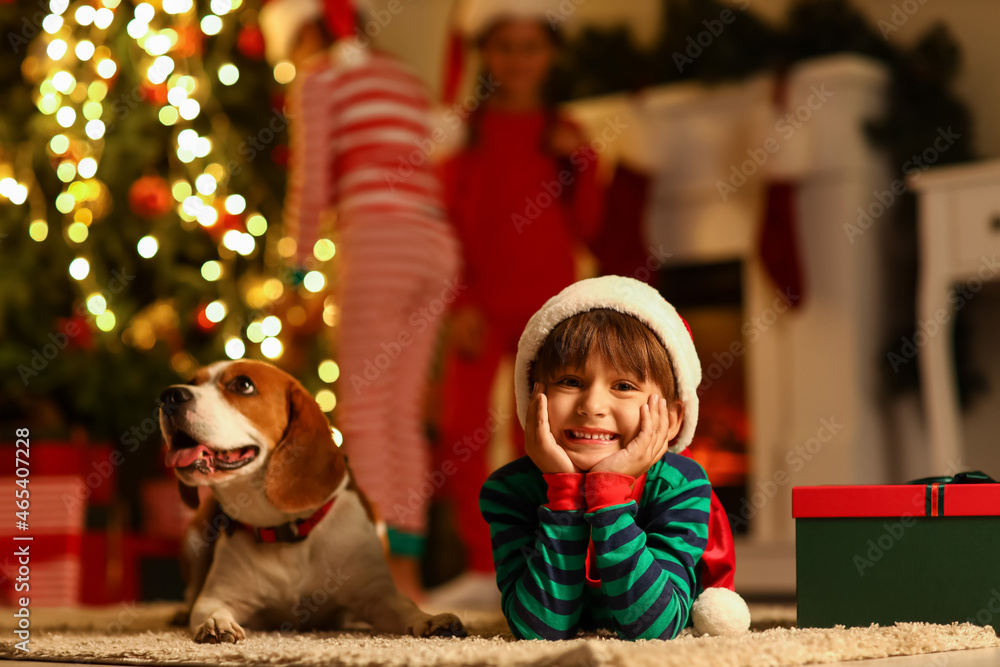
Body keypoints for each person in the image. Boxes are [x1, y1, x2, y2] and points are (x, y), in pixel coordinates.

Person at [260, 0, 461, 603]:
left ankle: (377, 570)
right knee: (401, 414)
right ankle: (409, 576)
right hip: (434, 245)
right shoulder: (401, 75)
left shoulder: (320, 79)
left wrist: (292, 276)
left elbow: (313, 180)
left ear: (302, 34)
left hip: (379, 243)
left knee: (366, 412)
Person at [432, 0, 605, 607]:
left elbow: (590, 227)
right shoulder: (462, 137)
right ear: (485, 54)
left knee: (547, 430)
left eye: (530, 47)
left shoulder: (567, 137)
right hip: (480, 307)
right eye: (505, 47)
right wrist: (460, 302)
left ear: (550, 55)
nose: (517, 60)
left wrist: (579, 161)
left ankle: (547, 561)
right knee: (461, 430)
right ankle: (482, 561)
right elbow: (445, 227)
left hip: (548, 307)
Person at [480, 275, 751, 639]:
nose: (592, 406)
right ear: (533, 399)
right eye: (571, 382)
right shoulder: (509, 490)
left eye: (623, 386)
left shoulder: (682, 486)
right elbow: (538, 631)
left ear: (670, 419)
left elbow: (657, 629)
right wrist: (563, 495)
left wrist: (608, 495)